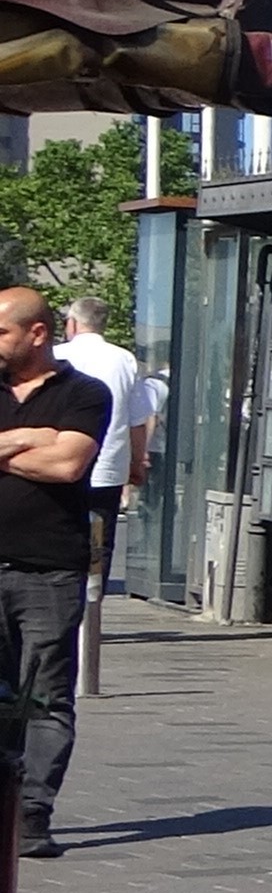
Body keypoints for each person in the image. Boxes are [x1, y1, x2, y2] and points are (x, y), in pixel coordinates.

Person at [0, 291, 107, 860]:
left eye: (1, 333)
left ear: (37, 333)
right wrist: (32, 437)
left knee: (43, 696)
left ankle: (32, 813)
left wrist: (8, 447)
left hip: (49, 570)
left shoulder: (83, 392)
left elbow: (68, 464)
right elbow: (52, 451)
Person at [54, 298, 152, 605]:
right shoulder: (124, 359)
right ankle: (92, 607)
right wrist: (138, 461)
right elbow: (138, 420)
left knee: (59, 535)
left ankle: (63, 604)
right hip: (108, 465)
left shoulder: (56, 356)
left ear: (72, 323)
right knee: (99, 541)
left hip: (59, 464)